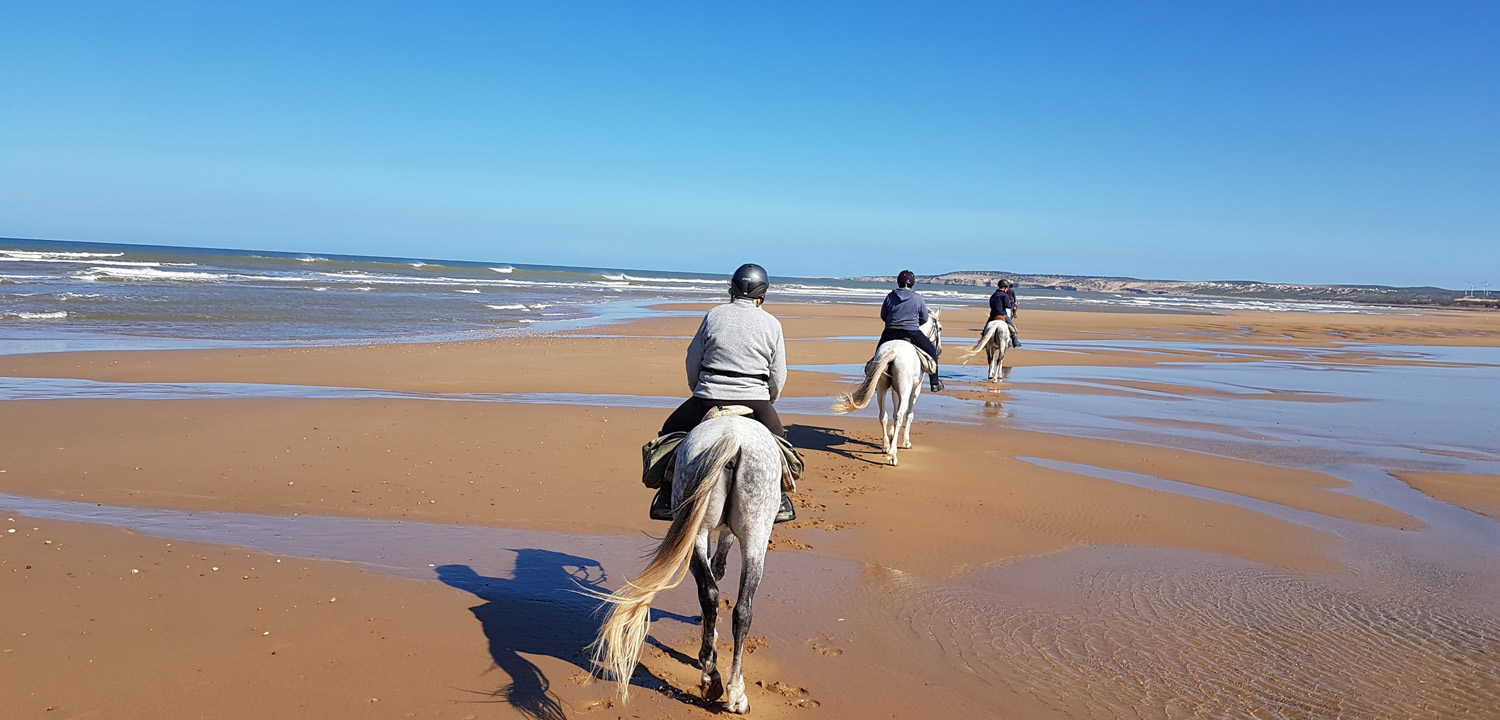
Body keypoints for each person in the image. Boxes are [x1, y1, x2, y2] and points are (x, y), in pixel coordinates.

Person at [646, 263, 798, 522]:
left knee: (669, 432)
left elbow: (693, 359)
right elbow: (778, 372)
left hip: (708, 397)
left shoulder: (714, 315)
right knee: (780, 444)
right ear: (763, 294)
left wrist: (698, 389)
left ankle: (666, 492)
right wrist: (768, 399)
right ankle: (782, 498)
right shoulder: (773, 324)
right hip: (756, 400)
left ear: (733, 289)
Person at [878, 269, 943, 392]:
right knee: (932, 352)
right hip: (911, 332)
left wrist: (892, 323)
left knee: (878, 353)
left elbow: (883, 315)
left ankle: (871, 376)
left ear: (898, 282)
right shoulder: (918, 298)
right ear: (912, 283)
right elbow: (924, 318)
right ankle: (934, 382)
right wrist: (913, 324)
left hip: (890, 332)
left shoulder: (890, 296)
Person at [989, 278, 1022, 347]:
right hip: (1002, 315)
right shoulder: (1004, 295)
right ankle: (1015, 342)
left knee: (986, 328)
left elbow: (991, 305)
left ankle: (983, 339)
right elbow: (1008, 306)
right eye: (1007, 287)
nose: (1007, 289)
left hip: (993, 315)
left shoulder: (993, 295)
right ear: (1004, 287)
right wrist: (1015, 304)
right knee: (1012, 328)